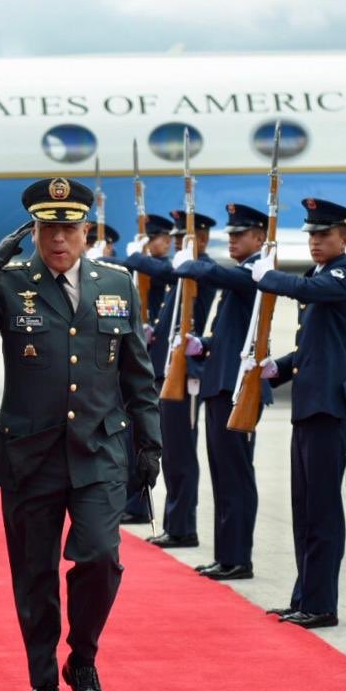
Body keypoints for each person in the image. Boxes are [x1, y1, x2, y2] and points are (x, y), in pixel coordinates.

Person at [0, 177, 161, 691]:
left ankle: (82, 661)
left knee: (99, 559)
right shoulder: (10, 282)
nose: (57, 239)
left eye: (68, 228)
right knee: (34, 575)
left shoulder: (117, 282)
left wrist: (150, 444)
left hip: (99, 451)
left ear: (85, 231)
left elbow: (138, 374)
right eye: (47, 228)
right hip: (30, 455)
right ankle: (42, 680)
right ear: (34, 231)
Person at [247, 198, 346, 628]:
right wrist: (279, 368)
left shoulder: (345, 275)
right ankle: (305, 596)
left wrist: (270, 278)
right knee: (306, 508)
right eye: (311, 235)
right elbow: (315, 347)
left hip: (328, 407)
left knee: (323, 510)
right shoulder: (319, 275)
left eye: (324, 235)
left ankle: (322, 603)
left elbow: (314, 292)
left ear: (345, 238)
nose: (315, 242)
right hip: (310, 404)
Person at [173, 202, 272, 581]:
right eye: (229, 236)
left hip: (238, 389)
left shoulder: (257, 273)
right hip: (222, 384)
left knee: (236, 477)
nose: (231, 241)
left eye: (239, 235)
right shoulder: (245, 275)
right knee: (223, 475)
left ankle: (238, 558)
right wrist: (208, 343)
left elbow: (211, 273)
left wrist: (191, 258)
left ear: (260, 237)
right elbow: (234, 332)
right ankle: (226, 554)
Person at [145, 209, 219, 548]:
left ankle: (183, 525)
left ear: (199, 240)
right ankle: (175, 522)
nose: (176, 245)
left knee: (181, 454)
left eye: (183, 239)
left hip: (185, 372)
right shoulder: (185, 270)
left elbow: (152, 265)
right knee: (172, 452)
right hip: (168, 368)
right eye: (175, 240)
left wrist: (141, 254)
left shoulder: (198, 270)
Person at [110, 213, 174, 524]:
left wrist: (136, 257)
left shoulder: (165, 269)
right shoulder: (138, 269)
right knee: (127, 437)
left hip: (153, 366)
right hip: (134, 360)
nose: (168, 243)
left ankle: (138, 503)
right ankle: (131, 502)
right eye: (161, 239)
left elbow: (161, 270)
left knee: (143, 437)